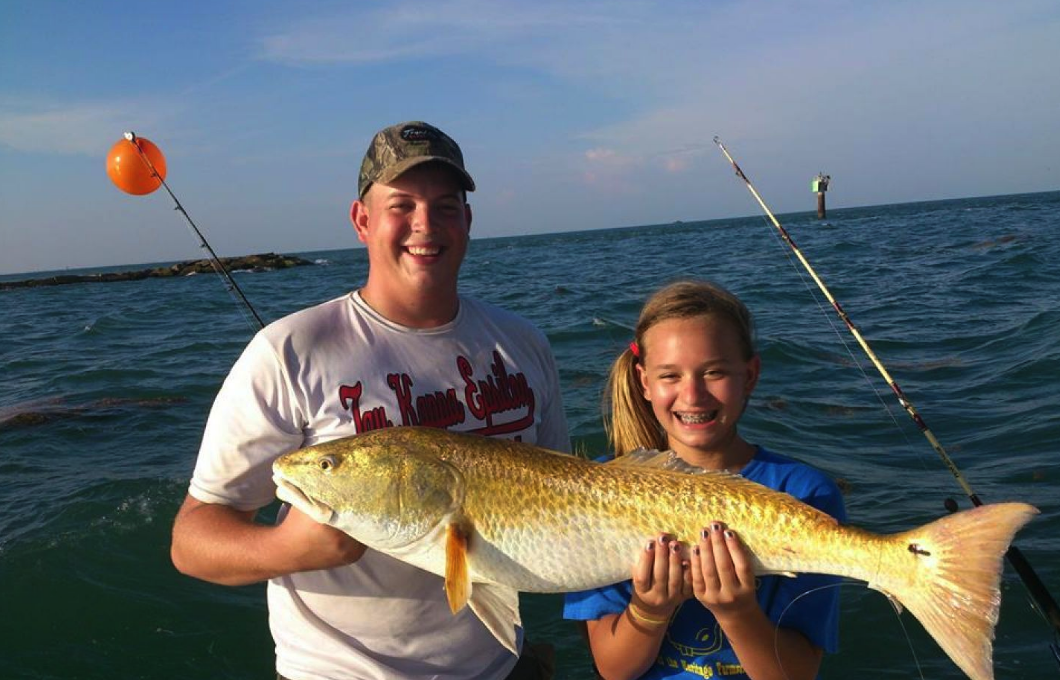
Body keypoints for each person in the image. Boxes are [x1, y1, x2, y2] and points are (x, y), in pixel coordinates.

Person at [170, 121, 570, 680]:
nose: (425, 225)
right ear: (362, 221)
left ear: (469, 220)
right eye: (400, 205)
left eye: (446, 206)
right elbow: (192, 542)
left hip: (499, 664)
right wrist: (289, 549)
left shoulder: (523, 342)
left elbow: (564, 490)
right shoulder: (288, 351)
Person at [563, 280, 846, 680]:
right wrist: (649, 609)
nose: (692, 396)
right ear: (644, 382)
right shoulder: (595, 489)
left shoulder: (806, 492)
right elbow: (612, 668)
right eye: (670, 376)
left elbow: (797, 673)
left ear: (750, 375)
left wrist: (738, 612)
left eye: (713, 372)